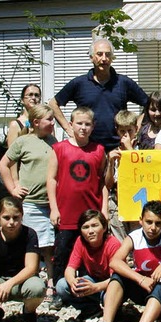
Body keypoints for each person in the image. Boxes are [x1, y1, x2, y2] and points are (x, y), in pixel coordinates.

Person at [47, 107, 109, 309]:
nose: (83, 128)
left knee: (89, 253)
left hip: (89, 213)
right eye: (79, 123)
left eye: (87, 124)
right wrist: (54, 208)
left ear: (93, 127)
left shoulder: (99, 150)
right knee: (63, 253)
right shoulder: (59, 148)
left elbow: (102, 182)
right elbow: (52, 179)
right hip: (66, 212)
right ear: (71, 124)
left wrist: (103, 209)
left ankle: (86, 290)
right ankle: (59, 290)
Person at [0, 104, 58, 303]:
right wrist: (13, 188)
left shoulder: (53, 142)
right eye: (49, 119)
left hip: (49, 202)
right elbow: (3, 164)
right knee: (31, 244)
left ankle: (51, 283)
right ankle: (28, 281)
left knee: (49, 245)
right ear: (35, 122)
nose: (53, 123)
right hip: (31, 203)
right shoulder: (23, 142)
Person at [49, 38, 148, 151]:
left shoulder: (123, 83)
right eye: (99, 54)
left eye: (108, 54)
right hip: (87, 148)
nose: (104, 58)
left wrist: (136, 129)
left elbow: (149, 104)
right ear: (91, 57)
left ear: (112, 58)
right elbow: (53, 104)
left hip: (118, 148)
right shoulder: (79, 83)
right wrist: (68, 129)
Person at [55, 210, 122, 322]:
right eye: (85, 227)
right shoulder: (81, 241)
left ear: (104, 227)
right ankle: (91, 309)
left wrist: (95, 288)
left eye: (94, 226)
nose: (90, 231)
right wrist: (72, 281)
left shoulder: (113, 244)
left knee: (108, 296)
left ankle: (111, 315)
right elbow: (70, 268)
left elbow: (117, 278)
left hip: (109, 285)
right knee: (62, 286)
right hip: (92, 280)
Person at [107, 110, 139, 241]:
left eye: (129, 131)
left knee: (136, 239)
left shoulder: (142, 149)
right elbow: (108, 184)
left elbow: (142, 174)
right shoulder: (114, 152)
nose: (126, 135)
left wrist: (129, 150)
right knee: (120, 242)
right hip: (117, 200)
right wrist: (110, 163)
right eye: (122, 131)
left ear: (136, 129)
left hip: (136, 201)